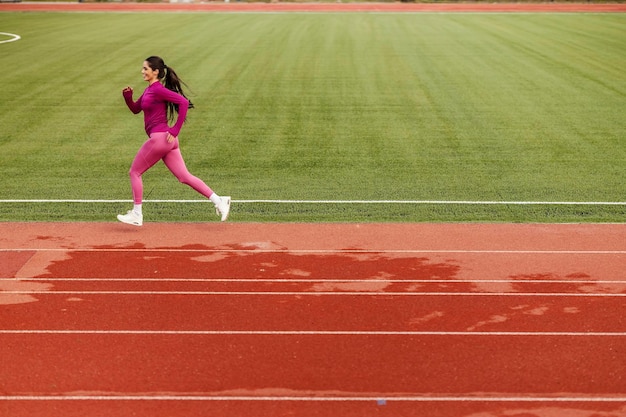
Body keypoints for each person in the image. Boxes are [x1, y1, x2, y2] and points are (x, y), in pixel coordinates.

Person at [117, 56, 230, 226]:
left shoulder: (157, 90)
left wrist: (176, 129)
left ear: (155, 72)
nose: (142, 71)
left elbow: (183, 102)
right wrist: (128, 97)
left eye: (145, 69)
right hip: (167, 141)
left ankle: (137, 214)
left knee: (135, 172)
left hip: (160, 139)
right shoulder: (149, 91)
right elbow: (135, 109)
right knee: (184, 176)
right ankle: (219, 200)